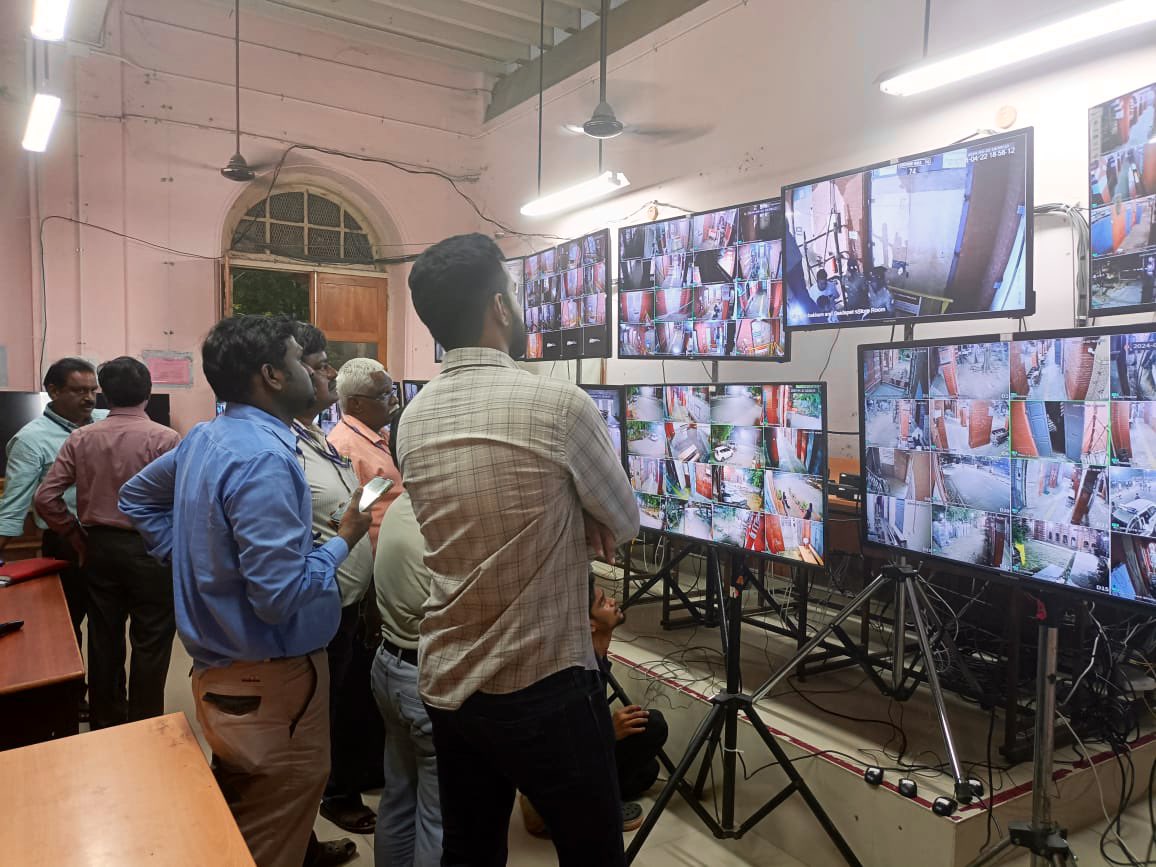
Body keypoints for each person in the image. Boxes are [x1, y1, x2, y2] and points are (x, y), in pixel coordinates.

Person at [399, 233, 640, 866]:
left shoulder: (412, 418)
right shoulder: (558, 404)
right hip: (546, 683)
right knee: (593, 854)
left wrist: (563, 512)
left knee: (470, 851)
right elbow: (623, 521)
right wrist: (576, 514)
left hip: (449, 680)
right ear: (500, 307)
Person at [119, 315, 370, 867]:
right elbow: (279, 598)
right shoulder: (265, 458)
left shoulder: (208, 435)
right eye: (300, 360)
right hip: (271, 680)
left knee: (248, 812)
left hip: (226, 670)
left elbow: (135, 496)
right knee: (269, 835)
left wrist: (200, 559)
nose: (316, 373)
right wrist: (344, 540)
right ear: (271, 375)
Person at [34, 356, 179, 730]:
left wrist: (75, 536)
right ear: (148, 393)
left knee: (103, 638)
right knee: (152, 641)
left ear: (104, 396)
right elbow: (184, 501)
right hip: (152, 549)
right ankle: (145, 726)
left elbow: (46, 498)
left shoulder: (81, 438)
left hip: (98, 547)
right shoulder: (166, 439)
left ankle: (105, 724)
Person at [290, 323, 379, 836]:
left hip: (344, 599)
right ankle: (325, 802)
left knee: (341, 704)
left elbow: (337, 509)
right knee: (318, 716)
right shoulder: (273, 446)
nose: (329, 373)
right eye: (318, 364)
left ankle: (315, 818)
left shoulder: (316, 436)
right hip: (313, 605)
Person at [370, 404, 442, 867]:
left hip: (389, 667)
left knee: (399, 795)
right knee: (438, 816)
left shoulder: (400, 502)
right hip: (424, 679)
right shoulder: (440, 518)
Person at [0, 358, 107, 650]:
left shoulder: (108, 421)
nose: (89, 398)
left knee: (108, 627)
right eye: (78, 390)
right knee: (65, 626)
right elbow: (13, 508)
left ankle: (107, 683)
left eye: (93, 390)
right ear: (54, 391)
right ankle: (72, 681)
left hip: (110, 541)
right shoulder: (31, 440)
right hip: (66, 543)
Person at [326, 358, 403, 551]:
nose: (395, 400)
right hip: (375, 561)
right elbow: (343, 520)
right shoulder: (344, 448)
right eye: (384, 395)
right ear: (356, 404)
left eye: (392, 392)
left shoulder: (380, 433)